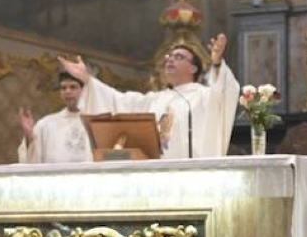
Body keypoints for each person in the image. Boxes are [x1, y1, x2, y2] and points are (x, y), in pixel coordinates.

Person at [57, 34, 240, 159]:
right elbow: (117, 101)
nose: (169, 60)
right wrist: (87, 80)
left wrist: (216, 63)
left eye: (178, 57)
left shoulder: (203, 95)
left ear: (193, 68)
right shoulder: (155, 99)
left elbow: (224, 94)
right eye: (168, 57)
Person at [17, 72, 93, 164]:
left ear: (84, 91)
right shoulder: (45, 124)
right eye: (63, 88)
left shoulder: (97, 122)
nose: (67, 91)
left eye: (73, 87)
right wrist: (29, 137)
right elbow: (29, 159)